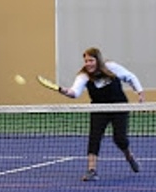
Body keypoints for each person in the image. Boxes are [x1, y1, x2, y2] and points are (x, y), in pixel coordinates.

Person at [51, 47, 144, 182]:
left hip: (119, 106)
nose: (88, 63)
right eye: (86, 61)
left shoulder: (111, 67)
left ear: (97, 60)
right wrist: (65, 91)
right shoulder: (83, 75)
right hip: (99, 108)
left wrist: (140, 92)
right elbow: (75, 92)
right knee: (94, 138)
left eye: (91, 60)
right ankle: (91, 170)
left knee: (120, 139)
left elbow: (130, 77)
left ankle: (129, 156)